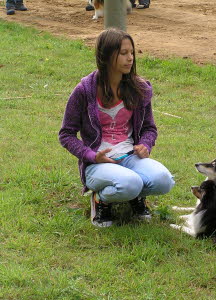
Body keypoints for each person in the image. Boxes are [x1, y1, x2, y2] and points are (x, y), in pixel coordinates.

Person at [59, 28, 175, 228]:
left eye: (131, 53)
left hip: (130, 157)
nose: (130, 58)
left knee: (164, 180)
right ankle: (101, 200)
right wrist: (91, 156)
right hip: (97, 164)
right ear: (106, 56)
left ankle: (134, 196)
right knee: (131, 183)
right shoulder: (84, 91)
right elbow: (66, 134)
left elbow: (149, 128)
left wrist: (145, 144)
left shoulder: (139, 89)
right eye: (123, 53)